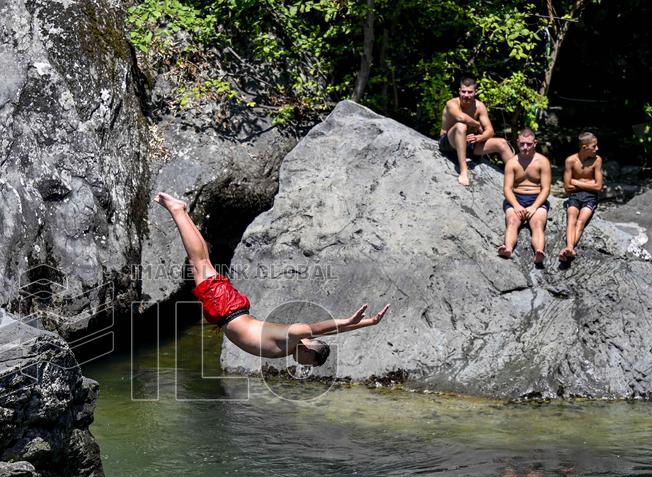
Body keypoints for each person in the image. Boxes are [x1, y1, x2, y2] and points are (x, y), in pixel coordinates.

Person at [154, 192, 389, 366]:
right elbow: (320, 327)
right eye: (308, 362)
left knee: (203, 263)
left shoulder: (292, 343)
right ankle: (177, 211)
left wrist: (368, 323)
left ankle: (182, 211)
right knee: (200, 264)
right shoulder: (293, 335)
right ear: (309, 348)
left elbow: (326, 333)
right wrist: (348, 320)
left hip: (232, 310)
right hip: (229, 311)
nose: (301, 365)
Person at [439, 77, 514, 187]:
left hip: (468, 144)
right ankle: (464, 171)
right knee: (461, 126)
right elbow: (460, 117)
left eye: (470, 92)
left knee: (502, 143)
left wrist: (479, 138)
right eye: (463, 91)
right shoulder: (452, 103)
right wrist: (477, 124)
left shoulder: (479, 106)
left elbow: (490, 131)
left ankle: (521, 178)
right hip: (449, 143)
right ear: (459, 91)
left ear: (475, 92)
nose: (466, 95)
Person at [498, 128, 552, 266]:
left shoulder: (543, 162)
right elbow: (507, 188)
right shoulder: (512, 162)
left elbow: (546, 189)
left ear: (535, 143)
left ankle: (539, 251)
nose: (525, 147)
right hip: (516, 198)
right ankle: (508, 248)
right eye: (522, 144)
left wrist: (534, 207)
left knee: (538, 224)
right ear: (517, 142)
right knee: (512, 221)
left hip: (537, 199)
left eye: (528, 144)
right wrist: (516, 205)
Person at [559, 132, 603, 262]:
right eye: (594, 146)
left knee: (581, 222)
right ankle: (569, 248)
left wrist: (576, 182)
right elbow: (567, 187)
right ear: (584, 147)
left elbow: (598, 187)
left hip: (590, 197)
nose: (597, 149)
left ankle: (569, 247)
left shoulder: (597, 160)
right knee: (571, 219)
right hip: (575, 196)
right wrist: (589, 183)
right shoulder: (571, 161)